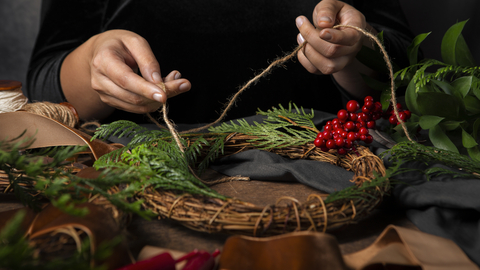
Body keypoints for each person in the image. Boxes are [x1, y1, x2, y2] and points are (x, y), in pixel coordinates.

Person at [26, 0, 413, 124]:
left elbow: (407, 62)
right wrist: (95, 62)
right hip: (135, 184)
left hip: (338, 173)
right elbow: (43, 84)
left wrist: (350, 52)